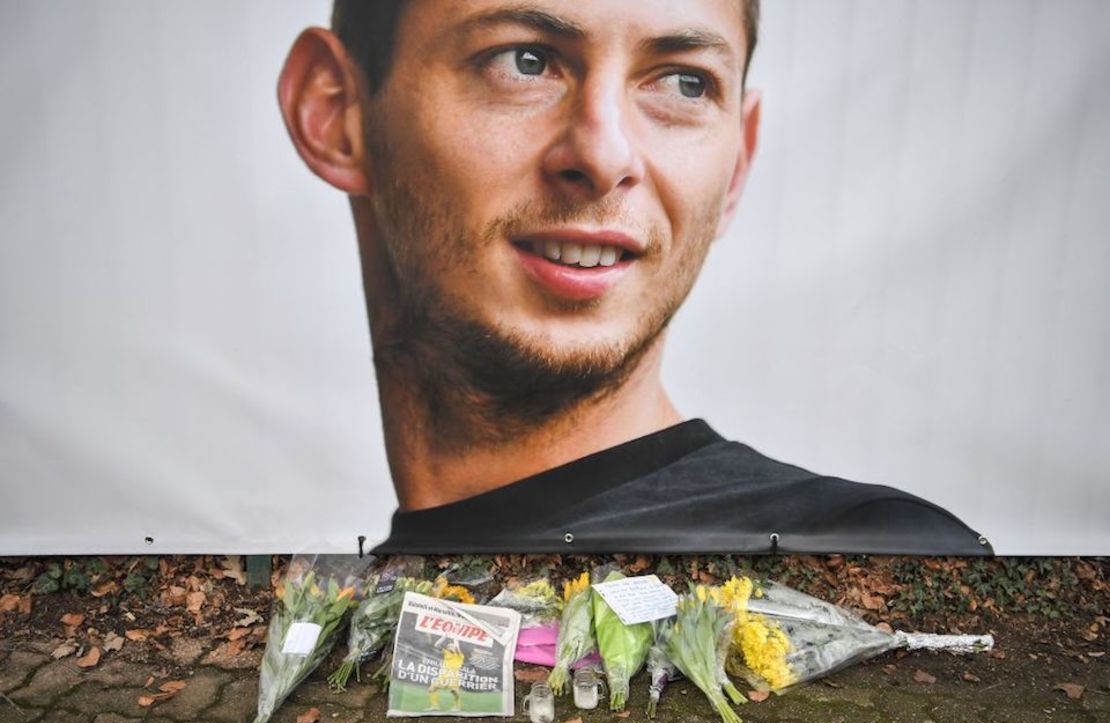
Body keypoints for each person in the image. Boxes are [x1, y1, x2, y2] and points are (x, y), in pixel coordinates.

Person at [277, 0, 991, 555]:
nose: (605, 154)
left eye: (685, 83)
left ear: (736, 163)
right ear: (337, 112)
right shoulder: (336, 627)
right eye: (524, 61)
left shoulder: (864, 557)